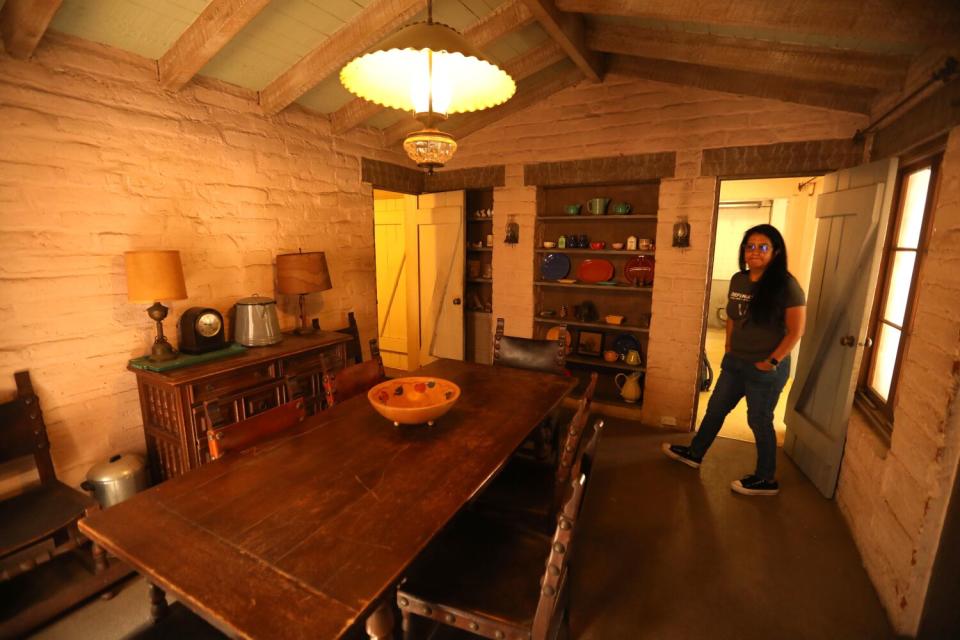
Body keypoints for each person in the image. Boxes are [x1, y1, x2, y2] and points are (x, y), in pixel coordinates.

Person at [662, 224, 806, 495]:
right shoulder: (738, 279)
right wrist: (728, 346)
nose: (755, 252)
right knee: (715, 410)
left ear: (775, 252)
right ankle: (694, 453)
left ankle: (766, 479)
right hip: (735, 362)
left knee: (759, 420)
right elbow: (732, 316)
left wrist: (772, 362)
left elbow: (797, 331)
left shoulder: (786, 286)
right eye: (750, 246)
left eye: (763, 247)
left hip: (765, 368)